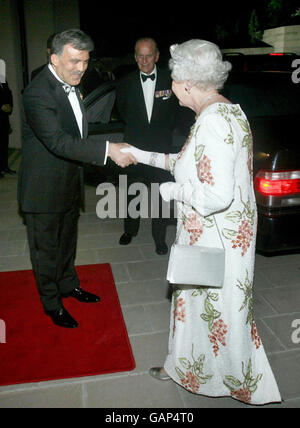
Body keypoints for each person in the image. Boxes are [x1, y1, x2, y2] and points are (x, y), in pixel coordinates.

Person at [122, 40, 281, 405]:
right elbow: (185, 161)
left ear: (189, 84)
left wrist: (170, 193)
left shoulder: (211, 122)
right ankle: (189, 369)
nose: (171, 86)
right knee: (201, 309)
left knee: (215, 312)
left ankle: (224, 378)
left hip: (216, 242)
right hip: (217, 238)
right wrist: (138, 154)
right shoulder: (225, 111)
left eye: (174, 79)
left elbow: (216, 195)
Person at [18, 29, 136, 329]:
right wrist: (108, 150)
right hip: (43, 189)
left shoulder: (73, 84)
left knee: (68, 242)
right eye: (74, 62)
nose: (81, 69)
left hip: (69, 181)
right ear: (54, 58)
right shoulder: (37, 92)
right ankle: (51, 303)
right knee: (46, 251)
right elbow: (58, 142)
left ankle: (69, 285)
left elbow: (79, 132)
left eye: (85, 61)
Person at [116, 37, 179, 255]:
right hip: (133, 149)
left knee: (160, 196)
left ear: (157, 56)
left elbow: (177, 113)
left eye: (148, 55)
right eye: (140, 56)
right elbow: (122, 112)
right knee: (130, 192)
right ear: (135, 57)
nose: (144, 60)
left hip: (161, 150)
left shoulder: (171, 81)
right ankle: (129, 230)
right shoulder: (125, 83)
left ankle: (159, 238)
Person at [0, 79, 15, 177]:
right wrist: (0, 106)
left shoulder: (3, 80)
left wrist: (10, 107)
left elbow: (9, 95)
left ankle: (5, 167)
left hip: (4, 118)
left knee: (4, 144)